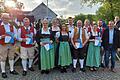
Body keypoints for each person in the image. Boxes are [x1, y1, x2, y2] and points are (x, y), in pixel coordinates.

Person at [0, 13, 18, 78]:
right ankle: (3, 71)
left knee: (11, 57)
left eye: (7, 18)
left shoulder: (12, 26)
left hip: (11, 43)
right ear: (2, 18)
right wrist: (1, 36)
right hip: (3, 44)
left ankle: (12, 70)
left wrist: (15, 37)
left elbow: (15, 34)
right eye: (4, 18)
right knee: (3, 58)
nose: (6, 19)